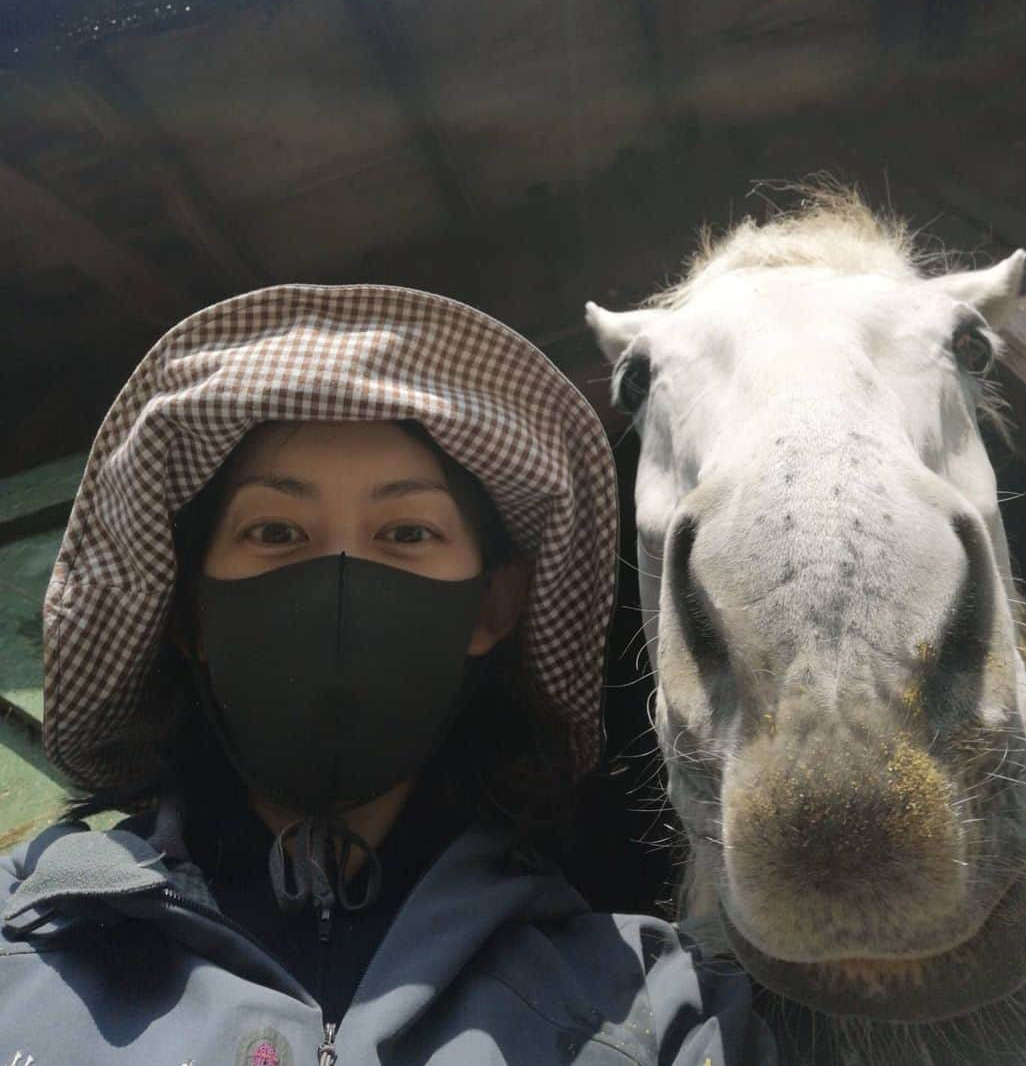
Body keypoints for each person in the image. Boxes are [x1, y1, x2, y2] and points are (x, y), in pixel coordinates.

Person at [0, 283, 774, 1064]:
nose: (340, 583)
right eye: (275, 531)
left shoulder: (662, 1008)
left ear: (490, 609)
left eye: (407, 531)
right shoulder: (22, 941)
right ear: (192, 614)